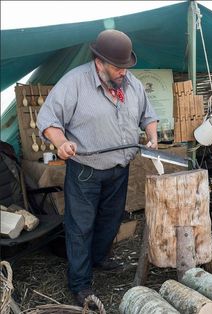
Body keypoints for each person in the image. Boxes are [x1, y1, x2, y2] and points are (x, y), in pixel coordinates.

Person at [37, 29, 158, 309]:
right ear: (99, 62)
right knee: (80, 227)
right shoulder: (74, 83)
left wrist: (151, 135)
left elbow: (148, 115)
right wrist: (62, 142)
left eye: (126, 67)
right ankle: (79, 283)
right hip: (85, 170)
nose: (123, 73)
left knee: (111, 220)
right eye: (118, 67)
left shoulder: (132, 84)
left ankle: (100, 259)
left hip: (119, 168)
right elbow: (48, 120)